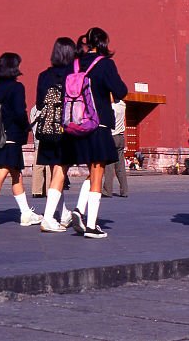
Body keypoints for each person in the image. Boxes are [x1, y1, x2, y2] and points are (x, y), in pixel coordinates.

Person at [67, 27, 128, 240]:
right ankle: (91, 225)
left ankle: (79, 210)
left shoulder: (75, 64)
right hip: (99, 124)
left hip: (78, 125)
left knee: (92, 172)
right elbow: (120, 91)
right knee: (98, 174)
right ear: (103, 42)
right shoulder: (105, 64)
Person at [0, 53, 42, 228]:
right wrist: (26, 126)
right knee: (1, 173)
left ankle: (26, 213)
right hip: (10, 136)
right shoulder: (16, 88)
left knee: (16, 174)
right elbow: (20, 111)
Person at [36, 37, 78, 233]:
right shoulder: (73, 74)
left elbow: (38, 104)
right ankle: (48, 218)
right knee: (60, 172)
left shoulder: (43, 76)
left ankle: (63, 213)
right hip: (65, 130)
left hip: (47, 130)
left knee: (55, 173)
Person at [103, 99, 128, 198]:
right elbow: (124, 120)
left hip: (112, 136)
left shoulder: (111, 107)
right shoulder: (123, 105)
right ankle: (124, 190)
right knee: (120, 165)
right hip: (121, 137)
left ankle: (107, 191)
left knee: (109, 165)